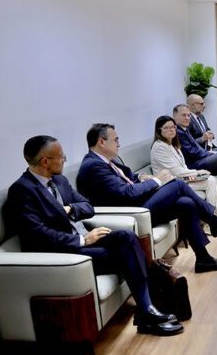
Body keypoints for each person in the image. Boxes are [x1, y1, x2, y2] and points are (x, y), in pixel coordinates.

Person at [6, 135, 183, 336]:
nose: (64, 160)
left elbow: (88, 206)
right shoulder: (22, 191)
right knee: (127, 255)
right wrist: (82, 240)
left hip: (85, 239)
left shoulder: (60, 181)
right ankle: (146, 312)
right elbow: (38, 234)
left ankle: (146, 310)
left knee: (126, 237)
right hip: (63, 252)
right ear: (45, 162)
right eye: (61, 157)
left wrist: (71, 209)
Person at [76, 123, 217, 274]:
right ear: (101, 142)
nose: (119, 143)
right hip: (130, 214)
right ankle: (215, 221)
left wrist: (142, 177)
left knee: (186, 203)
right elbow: (127, 193)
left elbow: (127, 179)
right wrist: (156, 180)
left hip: (137, 204)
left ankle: (204, 259)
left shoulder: (104, 161)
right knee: (177, 184)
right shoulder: (94, 166)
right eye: (116, 139)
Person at [150, 115, 217, 217]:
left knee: (210, 179)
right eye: (166, 128)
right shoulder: (159, 147)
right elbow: (177, 172)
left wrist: (199, 175)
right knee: (210, 180)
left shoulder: (172, 144)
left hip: (182, 179)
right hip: (170, 185)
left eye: (173, 127)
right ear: (159, 131)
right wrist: (198, 173)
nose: (171, 130)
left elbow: (183, 167)